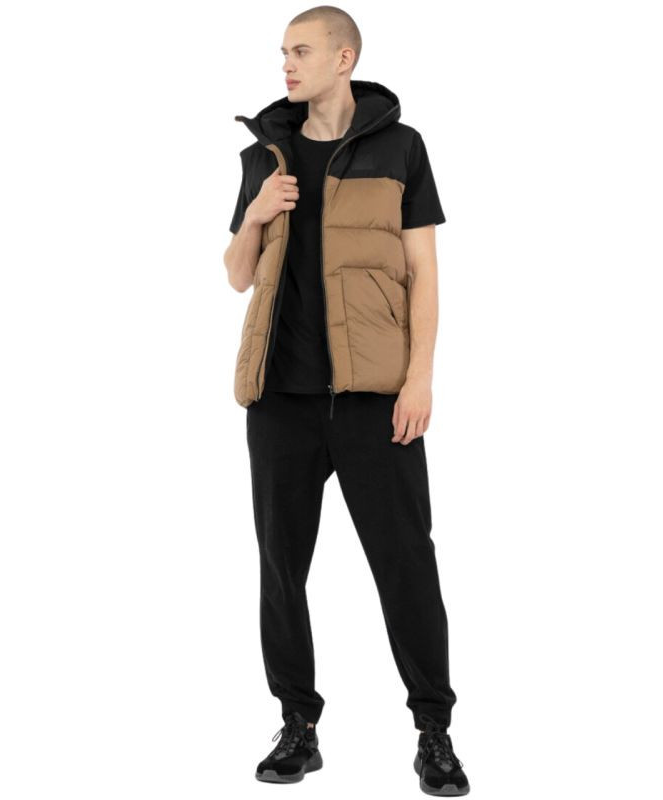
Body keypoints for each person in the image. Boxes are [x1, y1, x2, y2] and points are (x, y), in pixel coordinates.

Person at [223, 6, 469, 796]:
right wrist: (256, 215)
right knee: (281, 569)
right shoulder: (265, 154)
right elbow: (237, 274)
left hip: (373, 399)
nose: (286, 65)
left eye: (301, 51)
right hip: (281, 399)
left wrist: (420, 377)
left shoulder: (401, 148)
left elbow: (423, 272)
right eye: (282, 52)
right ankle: (298, 725)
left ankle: (434, 732)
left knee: (407, 565)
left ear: (344, 58)